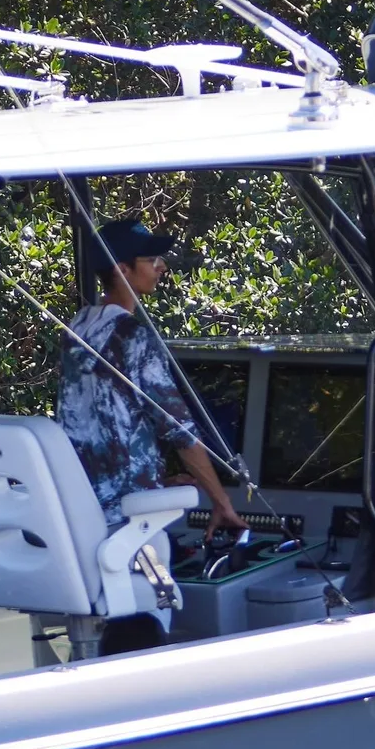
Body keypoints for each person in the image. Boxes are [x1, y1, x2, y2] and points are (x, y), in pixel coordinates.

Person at [58, 219, 238, 652]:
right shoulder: (133, 337)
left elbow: (99, 420)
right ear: (122, 269)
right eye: (151, 260)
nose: (161, 267)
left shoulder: (78, 326)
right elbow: (181, 434)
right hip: (125, 516)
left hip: (86, 499)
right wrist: (223, 503)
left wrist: (154, 477)